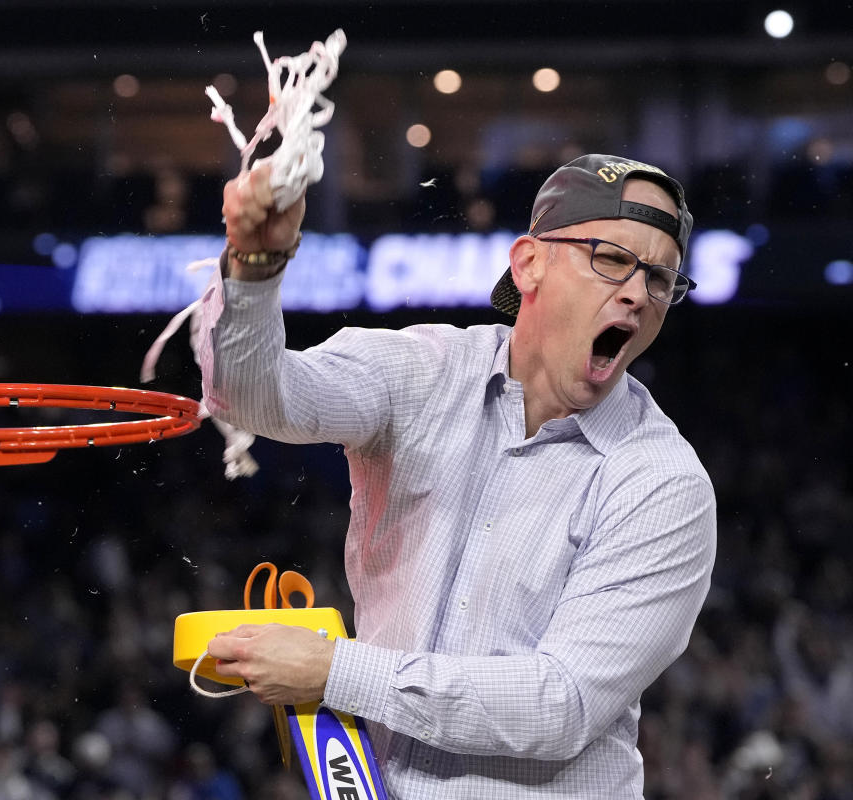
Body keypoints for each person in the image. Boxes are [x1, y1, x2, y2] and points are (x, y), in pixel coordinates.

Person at [197, 154, 717, 797]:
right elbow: (252, 399)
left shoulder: (663, 486)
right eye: (611, 258)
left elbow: (559, 706)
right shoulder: (422, 371)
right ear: (529, 263)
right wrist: (254, 265)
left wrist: (335, 672)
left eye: (661, 277)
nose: (638, 293)